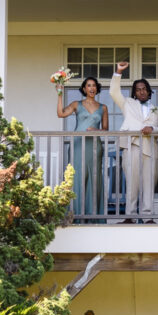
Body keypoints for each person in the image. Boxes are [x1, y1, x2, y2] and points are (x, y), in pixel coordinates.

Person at [110, 62, 158, 223]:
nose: (141, 92)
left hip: (150, 149)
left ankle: (147, 217)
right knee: (132, 183)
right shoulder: (128, 104)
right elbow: (113, 92)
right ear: (134, 92)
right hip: (132, 146)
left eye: (144, 89)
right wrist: (118, 72)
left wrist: (152, 128)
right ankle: (130, 216)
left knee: (149, 184)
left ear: (149, 91)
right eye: (138, 89)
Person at [57, 76, 108, 222]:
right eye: (88, 86)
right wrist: (59, 93)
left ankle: (93, 216)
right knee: (77, 178)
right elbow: (60, 114)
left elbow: (106, 129)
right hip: (78, 145)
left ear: (97, 88)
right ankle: (74, 215)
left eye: (94, 86)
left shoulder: (103, 107)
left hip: (94, 147)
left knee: (94, 178)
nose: (91, 88)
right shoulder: (76, 104)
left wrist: (97, 131)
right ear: (84, 89)